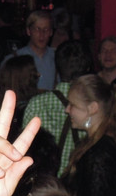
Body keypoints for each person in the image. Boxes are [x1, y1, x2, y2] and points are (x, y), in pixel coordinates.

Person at [22, 40, 92, 176]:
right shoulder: (94, 107)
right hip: (78, 182)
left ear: (57, 68)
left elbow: (25, 149)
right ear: (88, 69)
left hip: (46, 183)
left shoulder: (37, 103)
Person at [1, 10, 55, 90]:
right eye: (37, 29)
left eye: (46, 29)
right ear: (29, 31)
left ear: (51, 32)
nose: (42, 34)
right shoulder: (14, 60)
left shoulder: (57, 58)